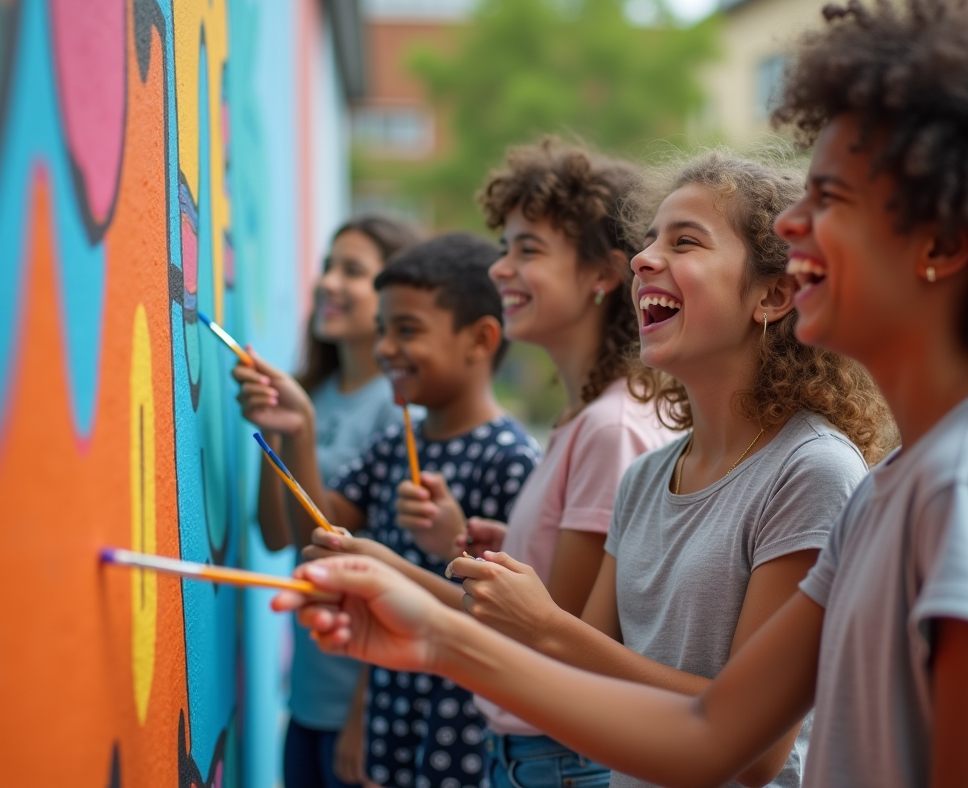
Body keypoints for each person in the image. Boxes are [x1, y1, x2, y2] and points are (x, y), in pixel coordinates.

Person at [273, 0, 968, 787]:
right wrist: (437, 641)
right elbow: (711, 732)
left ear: (940, 246)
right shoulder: (899, 481)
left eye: (830, 198)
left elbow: (741, 752)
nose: (792, 222)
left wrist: (469, 633)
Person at [445, 151, 890, 788]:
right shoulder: (646, 477)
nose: (643, 258)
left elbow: (757, 751)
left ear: (774, 293)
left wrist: (543, 624)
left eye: (684, 241)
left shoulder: (810, 471)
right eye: (650, 239)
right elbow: (585, 673)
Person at [307, 138, 677, 788]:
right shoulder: (581, 421)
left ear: (604, 274)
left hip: (557, 761)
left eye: (527, 249)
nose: (500, 269)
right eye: (504, 247)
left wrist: (391, 569)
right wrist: (499, 546)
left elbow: (550, 640)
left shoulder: (607, 427)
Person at [235, 233, 540, 788]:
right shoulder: (394, 446)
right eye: (383, 331)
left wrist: (451, 546)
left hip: (461, 727)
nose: (385, 349)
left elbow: (515, 620)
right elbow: (319, 537)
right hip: (386, 711)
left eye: (407, 331)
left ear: (480, 340)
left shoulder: (513, 461)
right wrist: (298, 431)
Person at [235, 214, 418, 788]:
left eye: (353, 271)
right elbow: (275, 533)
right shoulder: (311, 392)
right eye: (328, 266)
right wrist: (282, 432)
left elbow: (402, 570)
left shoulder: (401, 410)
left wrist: (364, 713)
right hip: (309, 694)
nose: (329, 283)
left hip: (364, 704)